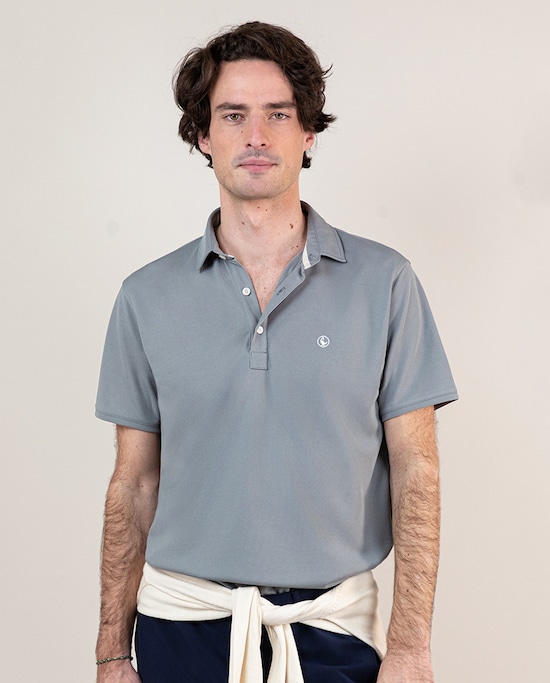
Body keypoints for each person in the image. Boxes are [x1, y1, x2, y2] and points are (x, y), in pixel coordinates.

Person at [94, 21, 458, 683]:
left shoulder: (386, 284)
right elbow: (133, 484)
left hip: (331, 634)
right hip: (179, 631)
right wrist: (112, 652)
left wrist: (410, 646)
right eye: (233, 115)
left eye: (279, 114)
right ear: (203, 135)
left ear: (308, 131)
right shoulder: (145, 297)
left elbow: (416, 473)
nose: (256, 136)